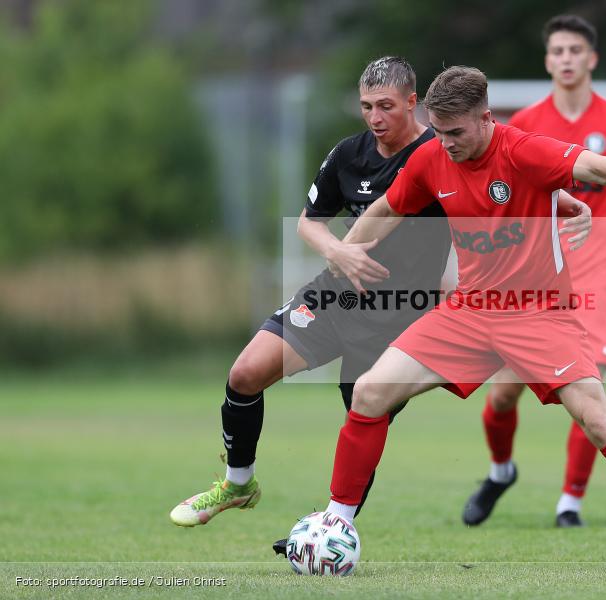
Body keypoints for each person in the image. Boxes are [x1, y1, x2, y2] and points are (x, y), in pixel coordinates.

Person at [318, 66, 606, 572]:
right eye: (438, 130)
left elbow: (600, 167)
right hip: (470, 311)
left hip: (538, 312)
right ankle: (335, 527)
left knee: (598, 420)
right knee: (369, 392)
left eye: (455, 133)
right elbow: (384, 210)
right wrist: (343, 256)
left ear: (486, 119)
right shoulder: (430, 156)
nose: (443, 143)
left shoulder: (523, 150)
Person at [168, 57, 454, 528]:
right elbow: (309, 222)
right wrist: (338, 253)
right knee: (244, 374)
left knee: (362, 420)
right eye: (366, 106)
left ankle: (331, 530)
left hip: (398, 317)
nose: (375, 117)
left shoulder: (442, 157)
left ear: (412, 101)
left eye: (386, 106)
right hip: (336, 296)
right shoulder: (349, 155)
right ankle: (238, 483)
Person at [462, 14, 606, 530]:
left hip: (590, 271)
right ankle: (500, 471)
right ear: (547, 60)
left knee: (589, 387)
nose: (565, 58)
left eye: (574, 50)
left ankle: (570, 502)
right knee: (502, 393)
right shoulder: (520, 123)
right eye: (557, 50)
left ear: (591, 59)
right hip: (531, 270)